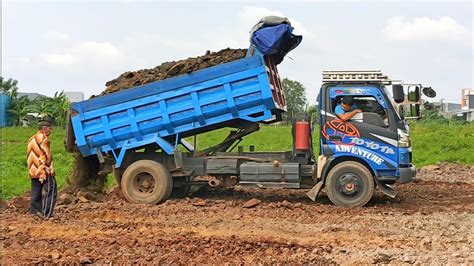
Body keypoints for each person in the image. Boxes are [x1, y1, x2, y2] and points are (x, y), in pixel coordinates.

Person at [27, 117, 57, 218]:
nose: (51, 130)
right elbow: (45, 155)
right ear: (45, 128)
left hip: (33, 170)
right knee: (51, 189)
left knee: (36, 191)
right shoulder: (43, 139)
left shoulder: (32, 138)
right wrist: (47, 169)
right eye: (50, 128)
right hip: (43, 170)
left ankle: (35, 212)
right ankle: (47, 214)